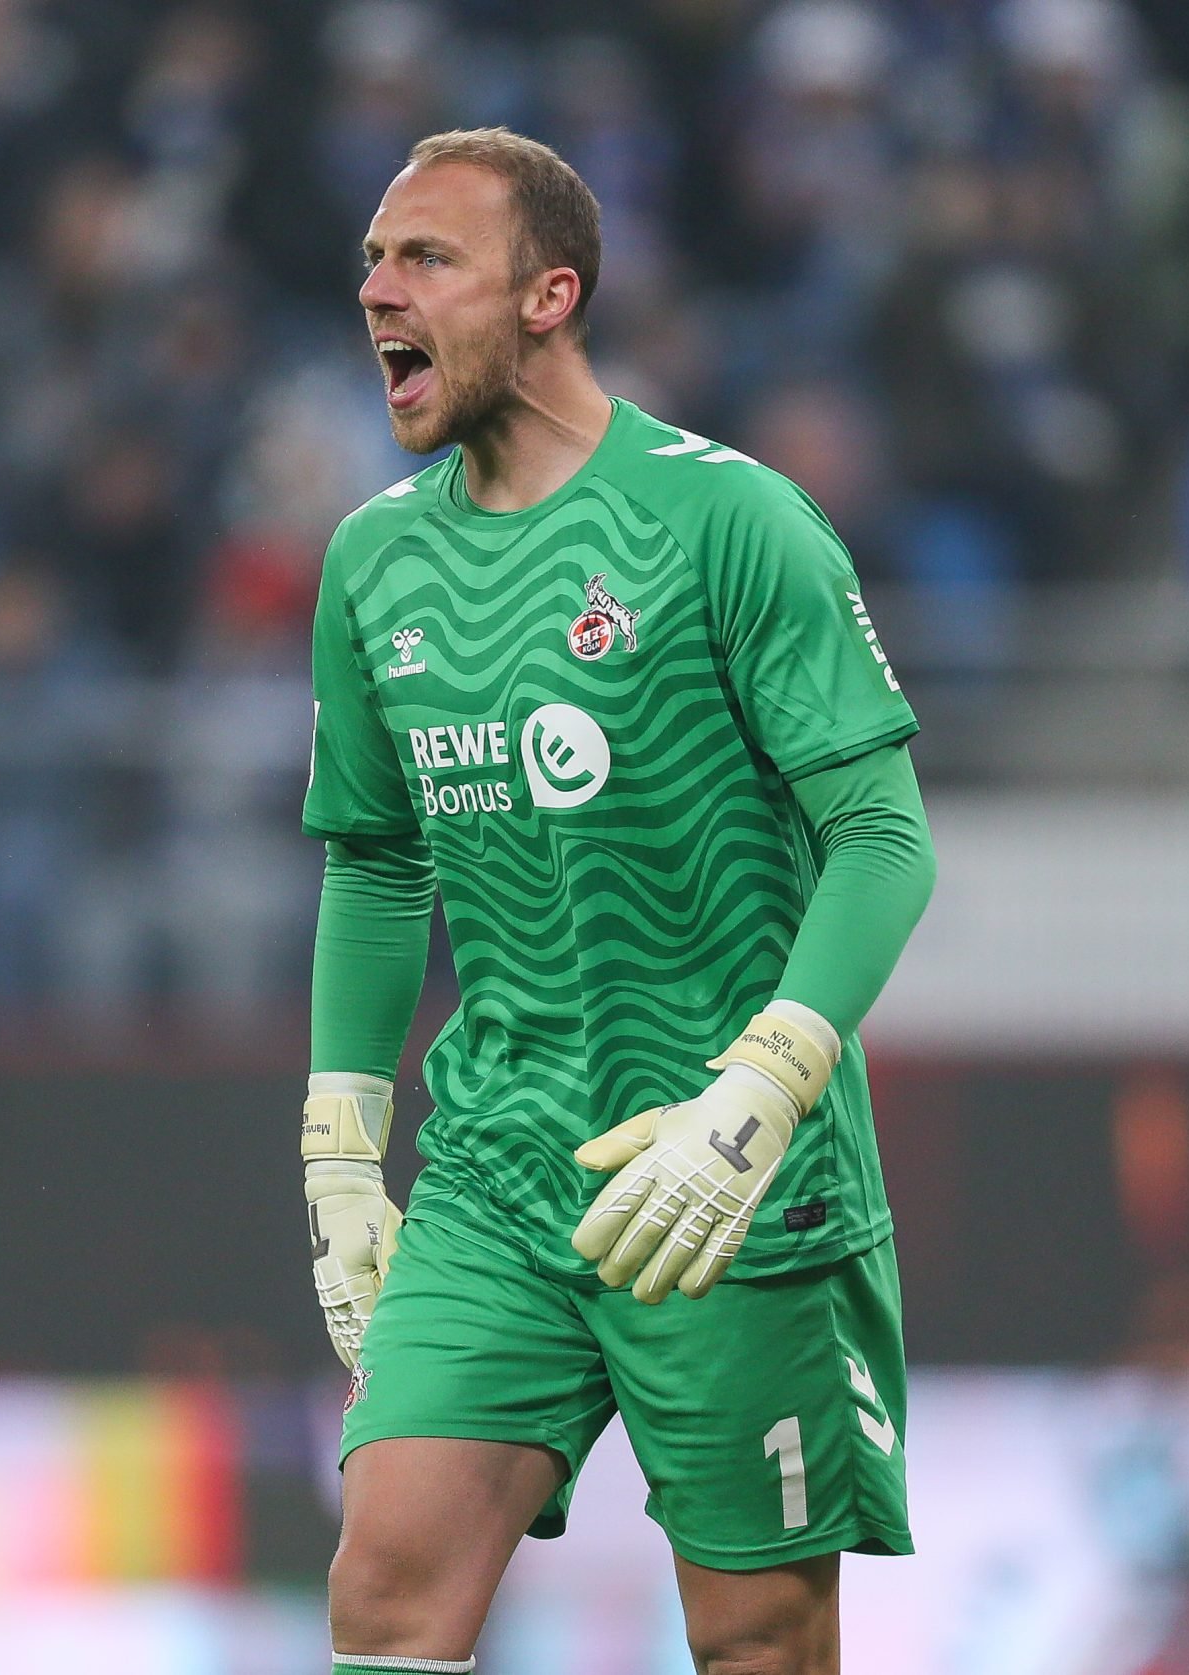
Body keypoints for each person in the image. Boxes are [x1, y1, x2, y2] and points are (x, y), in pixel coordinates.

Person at [301, 130, 937, 1675]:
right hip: (497, 1169)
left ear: (550, 295)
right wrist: (339, 1148)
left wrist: (762, 1092)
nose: (378, 290)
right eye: (375, 260)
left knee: (760, 1639)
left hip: (728, 1180)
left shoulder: (730, 523)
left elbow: (883, 838)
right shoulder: (375, 561)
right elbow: (377, 858)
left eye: (426, 258)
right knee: (386, 1587)